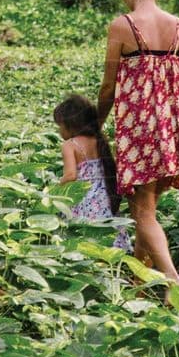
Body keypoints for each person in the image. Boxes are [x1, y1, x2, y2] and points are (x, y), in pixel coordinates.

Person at [96, 0, 179, 287]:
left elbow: (109, 87)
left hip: (139, 131)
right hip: (174, 130)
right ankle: (140, 285)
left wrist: (94, 124)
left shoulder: (122, 25)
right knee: (147, 209)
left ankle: (172, 279)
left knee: (142, 211)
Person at [53, 93, 132, 253]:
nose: (59, 130)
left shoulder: (69, 145)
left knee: (81, 236)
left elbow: (71, 175)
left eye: (60, 125)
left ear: (70, 124)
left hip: (83, 198)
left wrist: (54, 190)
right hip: (104, 196)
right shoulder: (99, 141)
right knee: (105, 233)